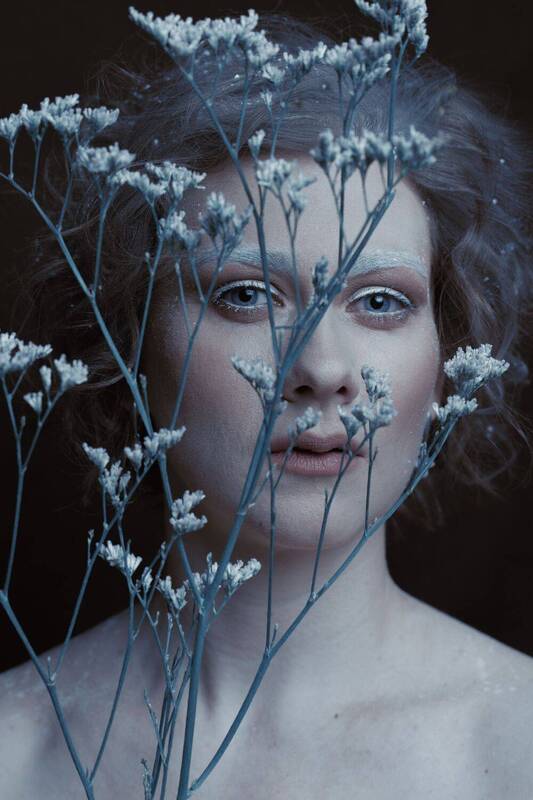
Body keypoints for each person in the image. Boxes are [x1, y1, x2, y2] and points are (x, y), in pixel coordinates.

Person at [1, 10, 532, 799]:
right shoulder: (14, 753)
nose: (322, 370)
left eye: (380, 302)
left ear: (446, 365)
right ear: (129, 342)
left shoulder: (516, 748)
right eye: (246, 295)